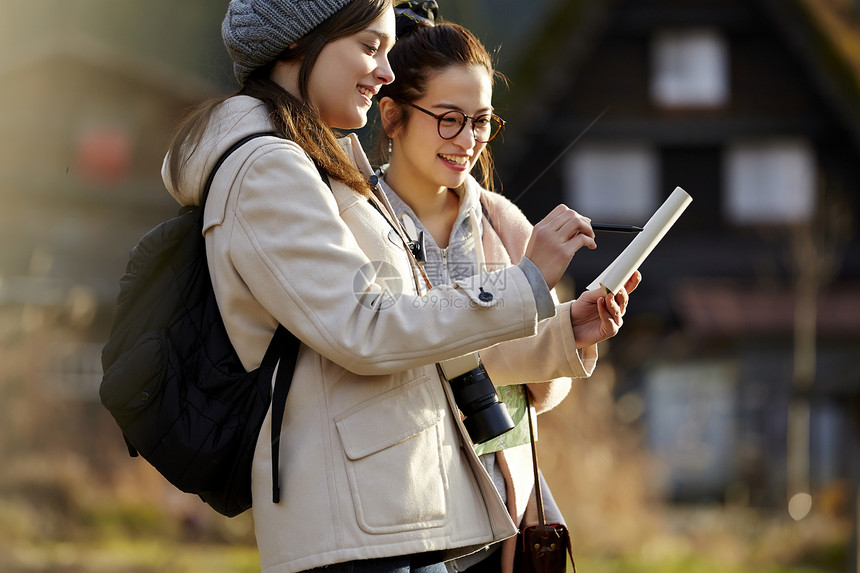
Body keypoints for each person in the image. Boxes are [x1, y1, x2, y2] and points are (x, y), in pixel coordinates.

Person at [161, 1, 611, 572]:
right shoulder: (268, 168)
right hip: (359, 529)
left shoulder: (307, 160)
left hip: (389, 516)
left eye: (481, 121)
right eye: (370, 47)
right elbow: (367, 329)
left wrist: (563, 331)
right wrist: (525, 284)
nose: (386, 70)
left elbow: (403, 334)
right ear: (300, 43)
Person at [374, 3, 641, 572]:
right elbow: (395, 349)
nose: (467, 140)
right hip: (399, 508)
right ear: (392, 115)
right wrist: (530, 327)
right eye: (449, 117)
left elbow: (535, 394)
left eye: (481, 121)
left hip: (503, 509)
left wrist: (574, 332)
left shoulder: (503, 221)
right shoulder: (358, 221)